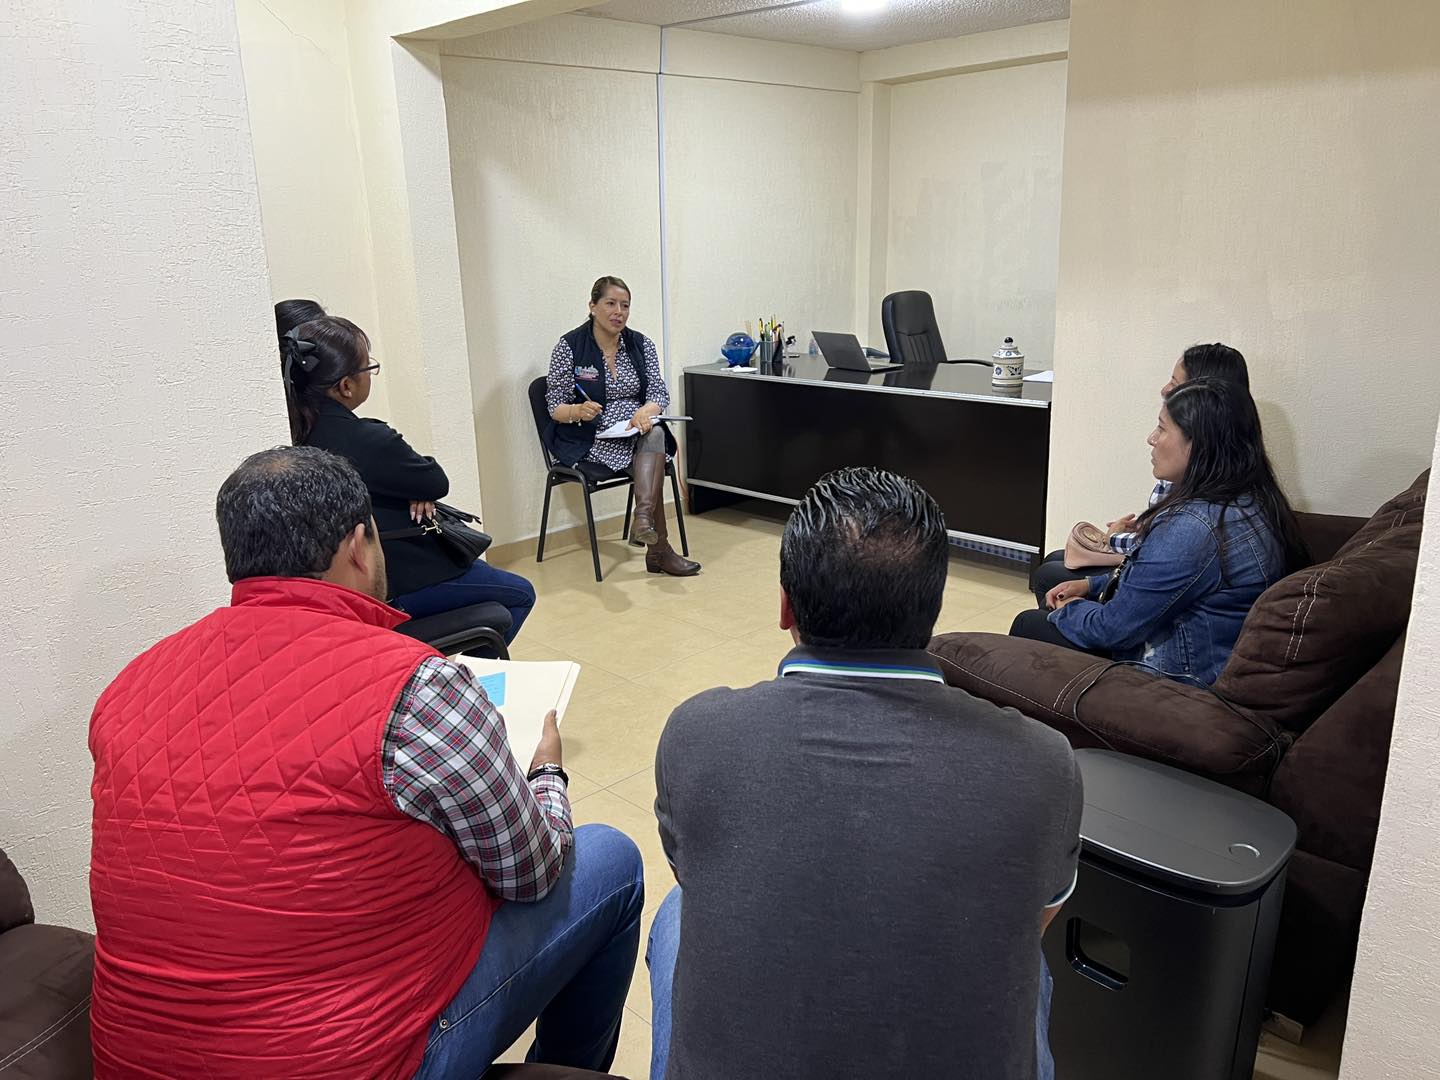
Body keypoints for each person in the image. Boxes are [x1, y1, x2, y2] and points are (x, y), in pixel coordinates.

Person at [88, 446, 644, 1078]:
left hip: (136, 1061)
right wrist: (545, 775)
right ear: (359, 545)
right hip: (356, 1059)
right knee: (612, 860)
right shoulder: (415, 688)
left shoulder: (128, 686)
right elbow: (533, 870)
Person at [646, 467, 1082, 1080]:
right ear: (931, 607)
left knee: (675, 913)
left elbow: (696, 873)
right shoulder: (1044, 762)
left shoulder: (696, 733)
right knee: (1026, 969)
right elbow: (1029, 918)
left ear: (784, 606)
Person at [1011, 377, 1308, 685]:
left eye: (1163, 428)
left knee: (1030, 624)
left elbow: (1114, 629)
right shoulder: (1251, 498)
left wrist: (1071, 611)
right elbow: (1168, 581)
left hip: (1178, 677)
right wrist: (1097, 585)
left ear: (1200, 443)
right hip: (1211, 653)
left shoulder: (1194, 528)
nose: (1151, 439)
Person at [277, 303, 538, 642]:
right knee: (519, 594)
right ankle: (453, 685)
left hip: (338, 588)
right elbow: (434, 479)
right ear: (345, 386)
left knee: (491, 593)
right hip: (394, 581)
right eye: (368, 367)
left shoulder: (295, 438)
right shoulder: (367, 438)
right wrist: (414, 487)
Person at [1030, 342, 1252, 604]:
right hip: (1151, 576)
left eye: (1175, 381)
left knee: (1046, 582)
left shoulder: (1200, 515)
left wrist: (1114, 539)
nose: (1152, 439)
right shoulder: (1231, 467)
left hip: (1148, 612)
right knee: (1055, 564)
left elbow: (1158, 560)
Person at [545, 276, 699, 577]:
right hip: (592, 434)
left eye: (625, 305)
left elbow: (659, 393)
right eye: (611, 304)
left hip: (636, 428)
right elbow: (554, 407)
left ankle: (643, 519)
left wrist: (646, 411)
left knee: (652, 432)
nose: (619, 312)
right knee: (652, 452)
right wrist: (578, 409)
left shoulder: (640, 344)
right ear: (592, 306)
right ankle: (657, 548)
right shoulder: (570, 346)